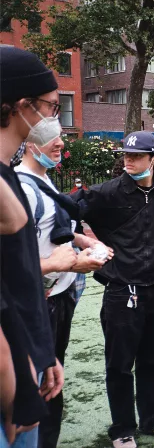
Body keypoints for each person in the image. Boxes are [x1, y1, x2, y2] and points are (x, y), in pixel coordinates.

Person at [72, 131, 154, 448]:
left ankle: (153, 419)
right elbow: (67, 212)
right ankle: (122, 429)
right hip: (121, 290)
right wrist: (88, 244)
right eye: (126, 154)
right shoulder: (108, 193)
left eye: (137, 155)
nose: (129, 160)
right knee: (120, 364)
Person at [17, 136, 112, 448]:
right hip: (33, 303)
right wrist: (63, 265)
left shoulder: (43, 181)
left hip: (59, 298)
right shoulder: (19, 188)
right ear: (27, 142)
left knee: (52, 381)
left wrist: (85, 242)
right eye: (48, 136)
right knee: (30, 390)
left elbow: (49, 231)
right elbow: (10, 260)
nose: (59, 142)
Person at [0, 46, 67, 448]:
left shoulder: (8, 178)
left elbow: (19, 280)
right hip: (10, 387)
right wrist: (18, 391)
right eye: (51, 107)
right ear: (23, 106)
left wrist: (43, 354)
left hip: (27, 365)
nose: (53, 120)